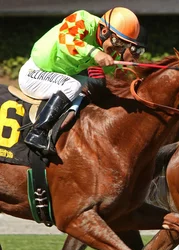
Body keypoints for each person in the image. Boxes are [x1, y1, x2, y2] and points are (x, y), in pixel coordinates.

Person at [18, 7, 142, 154]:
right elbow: (65, 39)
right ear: (104, 31)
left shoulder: (113, 52)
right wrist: (94, 53)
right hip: (34, 73)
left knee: (97, 85)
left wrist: (128, 70)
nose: (118, 49)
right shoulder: (82, 20)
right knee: (73, 85)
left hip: (60, 77)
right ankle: (38, 132)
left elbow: (109, 78)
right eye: (117, 42)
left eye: (124, 45)